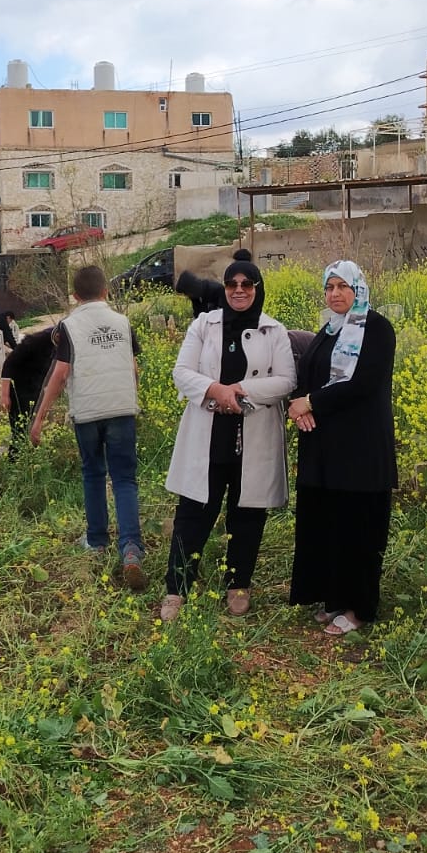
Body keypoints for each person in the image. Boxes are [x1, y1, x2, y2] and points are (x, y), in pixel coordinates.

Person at [161, 250, 296, 622]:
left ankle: (239, 584)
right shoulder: (204, 325)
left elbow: (287, 380)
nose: (239, 290)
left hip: (253, 435)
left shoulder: (274, 330)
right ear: (224, 288)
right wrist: (215, 391)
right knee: (193, 512)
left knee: (247, 513)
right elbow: (181, 371)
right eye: (232, 284)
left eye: (247, 284)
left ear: (257, 288)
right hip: (209, 432)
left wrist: (240, 391)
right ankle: (177, 588)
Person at [287, 261, 398, 636]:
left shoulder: (377, 329)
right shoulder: (330, 329)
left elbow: (365, 383)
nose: (335, 293)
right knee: (330, 524)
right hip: (326, 449)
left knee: (359, 527)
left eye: (342, 286)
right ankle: (334, 596)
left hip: (360, 450)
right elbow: (308, 376)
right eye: (329, 287)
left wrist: (311, 403)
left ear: (358, 289)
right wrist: (300, 407)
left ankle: (359, 607)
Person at [29, 266, 147, 590]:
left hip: (88, 413)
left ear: (75, 296)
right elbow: (133, 367)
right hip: (122, 409)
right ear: (106, 291)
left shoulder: (69, 326)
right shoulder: (122, 322)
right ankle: (131, 548)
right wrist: (132, 399)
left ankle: (96, 541)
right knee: (124, 479)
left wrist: (39, 417)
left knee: (93, 474)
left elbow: (60, 374)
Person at [0, 326, 57, 446]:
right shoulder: (36, 340)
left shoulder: (65, 345)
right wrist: (4, 395)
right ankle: (16, 454)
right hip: (20, 386)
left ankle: (34, 454)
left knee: (38, 428)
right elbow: (10, 363)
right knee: (20, 430)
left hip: (39, 386)